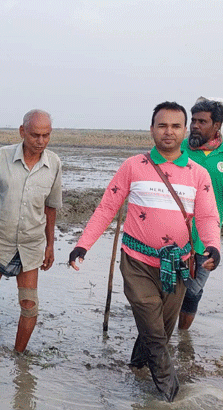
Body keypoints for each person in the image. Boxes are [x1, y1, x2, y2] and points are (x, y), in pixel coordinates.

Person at [69, 101, 220, 402]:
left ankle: (136, 366)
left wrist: (214, 245)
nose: (168, 132)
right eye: (162, 125)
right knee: (154, 333)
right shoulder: (133, 166)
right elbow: (107, 208)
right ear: (151, 129)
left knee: (160, 329)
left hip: (179, 264)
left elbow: (206, 216)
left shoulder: (197, 174)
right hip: (137, 262)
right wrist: (82, 245)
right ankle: (172, 396)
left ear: (184, 130)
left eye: (176, 126)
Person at [0, 109, 62, 353]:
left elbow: (51, 207)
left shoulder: (53, 164)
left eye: (46, 135)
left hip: (30, 245)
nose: (40, 141)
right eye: (35, 135)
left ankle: (18, 356)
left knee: (29, 305)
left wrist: (50, 245)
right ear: (23, 132)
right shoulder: (0, 157)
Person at [178, 98, 223, 330]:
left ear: (217, 125)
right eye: (193, 120)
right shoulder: (179, 149)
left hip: (206, 240)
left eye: (202, 121)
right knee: (167, 289)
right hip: (173, 236)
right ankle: (160, 341)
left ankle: (182, 338)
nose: (195, 125)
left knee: (193, 293)